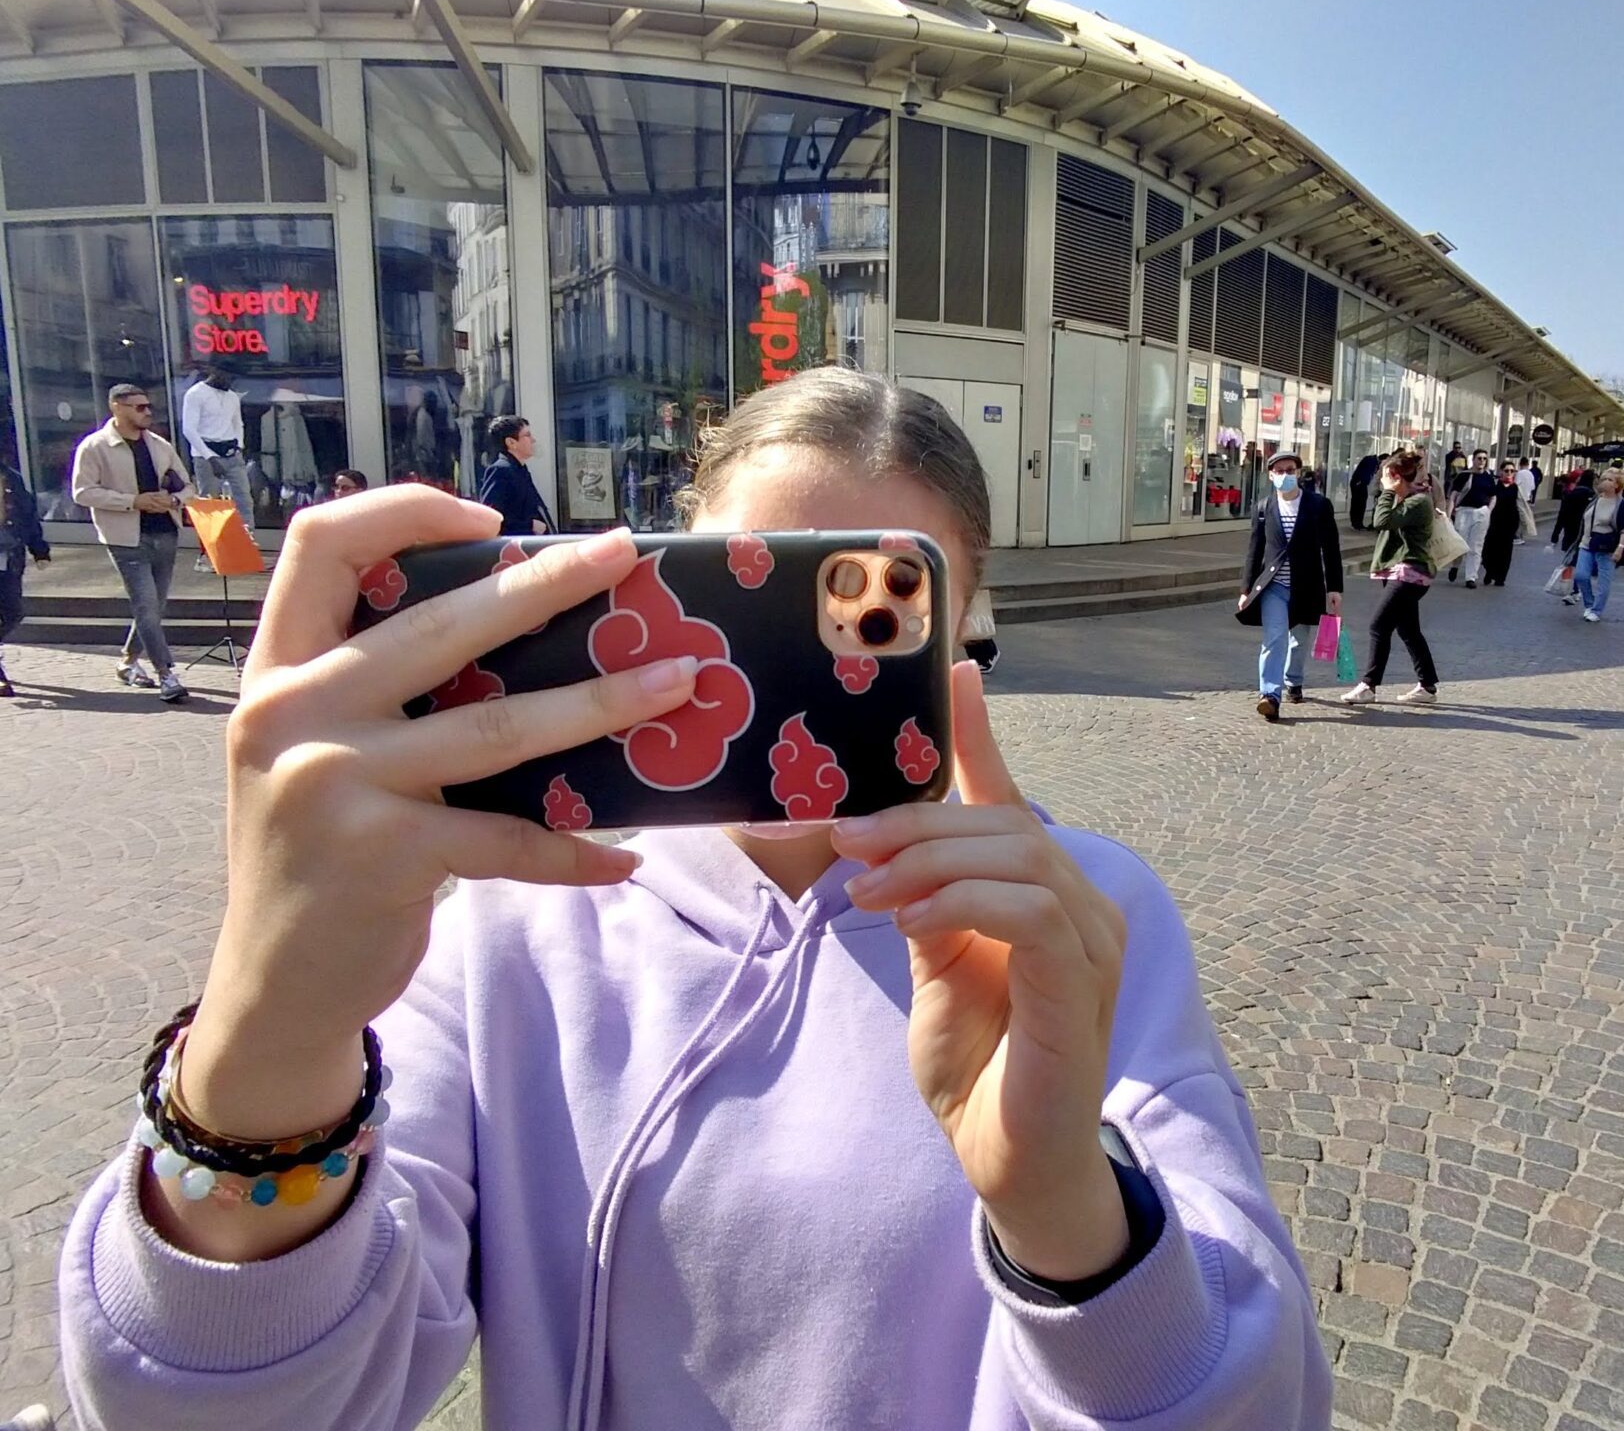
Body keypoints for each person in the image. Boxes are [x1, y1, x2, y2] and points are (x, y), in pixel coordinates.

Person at [57, 367, 1333, 1431]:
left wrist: (1069, 1212)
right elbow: (212, 1405)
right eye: (746, 594)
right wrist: (266, 1032)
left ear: (960, 635)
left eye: (885, 609)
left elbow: (1266, 1402)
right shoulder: (506, 910)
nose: (803, 667)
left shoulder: (1077, 918)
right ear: (652, 583)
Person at [70, 383, 193, 702]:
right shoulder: (95, 446)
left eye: (148, 407)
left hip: (165, 531)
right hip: (125, 538)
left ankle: (127, 662)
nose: (147, 412)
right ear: (116, 407)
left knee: (155, 607)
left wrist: (174, 501)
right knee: (146, 606)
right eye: (139, 407)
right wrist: (133, 501)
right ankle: (166, 674)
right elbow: (82, 492)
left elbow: (187, 486)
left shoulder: (159, 445)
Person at [1238, 452, 1344, 719]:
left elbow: (1331, 549)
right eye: (1279, 471)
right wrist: (1246, 589)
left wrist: (1334, 588)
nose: (1285, 475)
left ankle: (1293, 680)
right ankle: (1270, 695)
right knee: (1275, 638)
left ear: (1299, 473)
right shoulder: (1264, 507)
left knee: (1299, 641)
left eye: (1290, 470)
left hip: (1307, 585)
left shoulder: (1319, 505)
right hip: (1274, 586)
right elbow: (1255, 550)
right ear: (1271, 475)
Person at [1342, 447, 1438, 705]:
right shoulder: (1406, 498)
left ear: (1396, 477)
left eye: (1384, 476)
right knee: (1409, 630)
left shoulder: (1418, 502)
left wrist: (1387, 491)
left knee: (1378, 625)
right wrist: (1389, 491)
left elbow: (1381, 520)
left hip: (1410, 573)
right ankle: (1428, 685)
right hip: (1400, 570)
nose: (1380, 481)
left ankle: (1368, 686)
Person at [180, 367, 256, 571]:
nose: (231, 382)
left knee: (244, 499)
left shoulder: (231, 396)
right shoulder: (196, 394)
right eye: (229, 376)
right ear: (216, 373)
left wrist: (239, 446)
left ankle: (246, 547)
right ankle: (207, 554)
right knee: (209, 504)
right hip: (206, 453)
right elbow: (189, 429)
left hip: (230, 450)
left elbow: (237, 423)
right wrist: (209, 457)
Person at [0, 456, 51, 698]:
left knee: (13, 611)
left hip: (9, 554)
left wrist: (39, 549)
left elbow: (28, 514)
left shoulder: (11, 477)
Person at [1568, 468, 1624, 622]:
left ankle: (1596, 610)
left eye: (1609, 480)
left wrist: (1620, 548)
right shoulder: (1595, 499)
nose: (1605, 482)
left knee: (1604, 581)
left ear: (1617, 485)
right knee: (1581, 575)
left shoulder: (1620, 504)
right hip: (1586, 544)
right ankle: (1589, 604)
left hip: (1606, 547)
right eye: (1603, 478)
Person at [479, 415, 555, 537]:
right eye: (527, 435)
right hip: (517, 550)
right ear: (511, 442)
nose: (533, 440)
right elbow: (490, 517)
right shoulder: (501, 470)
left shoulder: (520, 470)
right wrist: (528, 526)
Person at [1447, 449, 1496, 587]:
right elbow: (1453, 496)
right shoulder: (1463, 476)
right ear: (1473, 460)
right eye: (1479, 458)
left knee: (1476, 546)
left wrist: (1488, 511)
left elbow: (1493, 496)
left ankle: (1471, 577)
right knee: (1460, 543)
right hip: (1464, 512)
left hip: (1481, 513)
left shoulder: (1488, 477)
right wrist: (1448, 514)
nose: (1482, 461)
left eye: (1484, 459)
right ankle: (1455, 566)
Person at [1479, 462, 1523, 587]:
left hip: (1509, 523)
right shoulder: (1494, 486)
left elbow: (1521, 506)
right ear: (1501, 472)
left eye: (1512, 471)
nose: (1509, 473)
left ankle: (1500, 577)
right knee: (1489, 550)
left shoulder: (1516, 488)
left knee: (1505, 552)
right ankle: (1489, 571)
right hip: (1494, 522)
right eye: (1507, 470)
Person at [1348, 453, 1379, 530]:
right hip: (1359, 483)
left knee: (1356, 503)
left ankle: (1355, 523)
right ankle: (1358, 524)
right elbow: (1367, 474)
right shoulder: (1372, 461)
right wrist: (1362, 482)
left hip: (1358, 482)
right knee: (1360, 504)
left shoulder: (1370, 459)